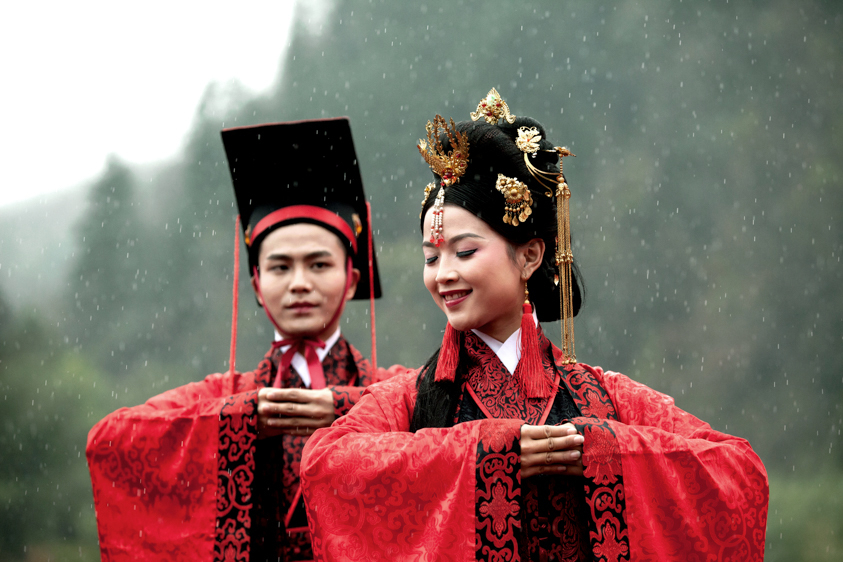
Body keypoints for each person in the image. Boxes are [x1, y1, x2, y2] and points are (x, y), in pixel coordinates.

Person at [300, 91, 769, 561]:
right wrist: (490, 454)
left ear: (529, 256)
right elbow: (326, 463)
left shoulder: (604, 396)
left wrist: (606, 452)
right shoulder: (410, 398)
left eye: (465, 252)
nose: (443, 274)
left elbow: (739, 470)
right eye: (431, 257)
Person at [86, 118, 405, 562]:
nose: (299, 283)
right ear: (256, 285)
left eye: (318, 265)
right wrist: (242, 420)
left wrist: (348, 407)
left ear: (351, 280)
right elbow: (108, 440)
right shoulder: (224, 396)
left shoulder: (397, 390)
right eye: (280, 267)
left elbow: (465, 434)